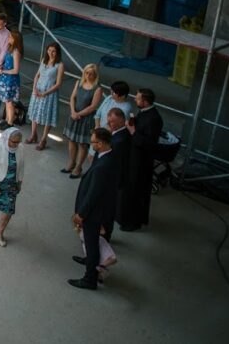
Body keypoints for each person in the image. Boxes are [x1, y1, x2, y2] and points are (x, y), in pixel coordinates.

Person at [69, 127, 120, 291]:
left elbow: (93, 194)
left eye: (93, 142)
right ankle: (89, 260)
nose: (92, 145)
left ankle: (89, 278)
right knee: (91, 243)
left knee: (91, 244)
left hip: (93, 213)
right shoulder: (108, 157)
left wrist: (81, 214)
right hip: (101, 210)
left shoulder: (102, 166)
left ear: (101, 143)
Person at [118, 88, 163, 232]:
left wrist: (133, 132)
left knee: (136, 191)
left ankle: (133, 221)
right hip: (134, 157)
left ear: (145, 101)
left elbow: (150, 143)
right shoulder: (145, 113)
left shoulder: (154, 119)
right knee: (129, 189)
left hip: (141, 162)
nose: (135, 100)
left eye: (138, 99)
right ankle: (126, 217)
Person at [62, 64, 103, 179]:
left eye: (91, 74)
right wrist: (73, 111)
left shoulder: (97, 88)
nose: (88, 75)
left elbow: (93, 107)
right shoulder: (79, 82)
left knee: (82, 144)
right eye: (86, 73)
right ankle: (72, 162)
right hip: (75, 115)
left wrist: (78, 114)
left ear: (95, 75)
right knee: (71, 140)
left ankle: (78, 166)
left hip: (86, 119)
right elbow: (72, 98)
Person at [27, 42, 64, 149]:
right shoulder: (44, 60)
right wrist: (34, 88)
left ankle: (43, 139)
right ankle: (33, 134)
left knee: (48, 116)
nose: (51, 53)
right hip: (38, 90)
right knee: (34, 113)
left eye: (53, 51)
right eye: (49, 50)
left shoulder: (60, 65)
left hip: (49, 93)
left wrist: (44, 93)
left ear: (57, 52)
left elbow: (58, 84)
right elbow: (37, 75)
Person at [105, 107, 131, 241]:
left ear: (122, 121)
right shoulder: (118, 134)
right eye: (108, 122)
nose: (110, 124)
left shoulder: (120, 140)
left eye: (112, 122)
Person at [0, 32, 24, 130]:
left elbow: (16, 70)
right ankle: (6, 120)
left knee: (9, 102)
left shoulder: (16, 52)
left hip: (11, 80)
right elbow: (7, 63)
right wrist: (1, 68)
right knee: (6, 102)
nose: (9, 38)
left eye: (11, 37)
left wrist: (3, 71)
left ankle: (10, 122)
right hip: (5, 78)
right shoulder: (10, 49)